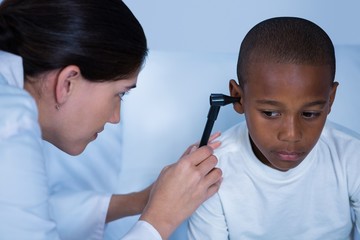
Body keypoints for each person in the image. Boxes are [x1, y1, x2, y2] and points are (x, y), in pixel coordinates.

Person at [0, 0, 223, 239]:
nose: (116, 118)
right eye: (120, 93)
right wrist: (161, 219)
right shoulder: (11, 122)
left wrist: (144, 199)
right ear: (68, 83)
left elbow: (20, 214)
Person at [187, 16, 360, 239]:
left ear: (330, 99)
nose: (291, 134)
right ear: (237, 98)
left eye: (309, 114)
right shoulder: (212, 175)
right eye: (270, 113)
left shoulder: (352, 158)